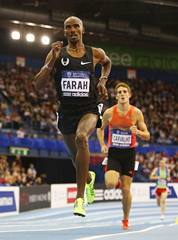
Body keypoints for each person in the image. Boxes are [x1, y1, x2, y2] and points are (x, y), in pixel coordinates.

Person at [34, 16, 111, 217]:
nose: (72, 30)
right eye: (68, 27)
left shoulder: (94, 53)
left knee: (82, 138)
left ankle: (79, 200)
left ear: (82, 30)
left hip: (89, 108)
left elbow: (107, 62)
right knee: (74, 156)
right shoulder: (56, 54)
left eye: (76, 26)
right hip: (66, 111)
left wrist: (102, 80)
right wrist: (52, 59)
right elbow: (38, 84)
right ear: (65, 32)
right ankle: (88, 179)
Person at [97, 82, 150, 230]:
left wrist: (138, 132)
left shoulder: (136, 113)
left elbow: (147, 135)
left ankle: (125, 220)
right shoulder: (109, 113)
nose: (122, 94)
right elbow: (99, 129)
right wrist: (102, 144)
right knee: (110, 184)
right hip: (114, 152)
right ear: (116, 96)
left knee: (126, 191)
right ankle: (117, 182)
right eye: (119, 92)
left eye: (124, 92)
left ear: (129, 95)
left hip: (129, 154)